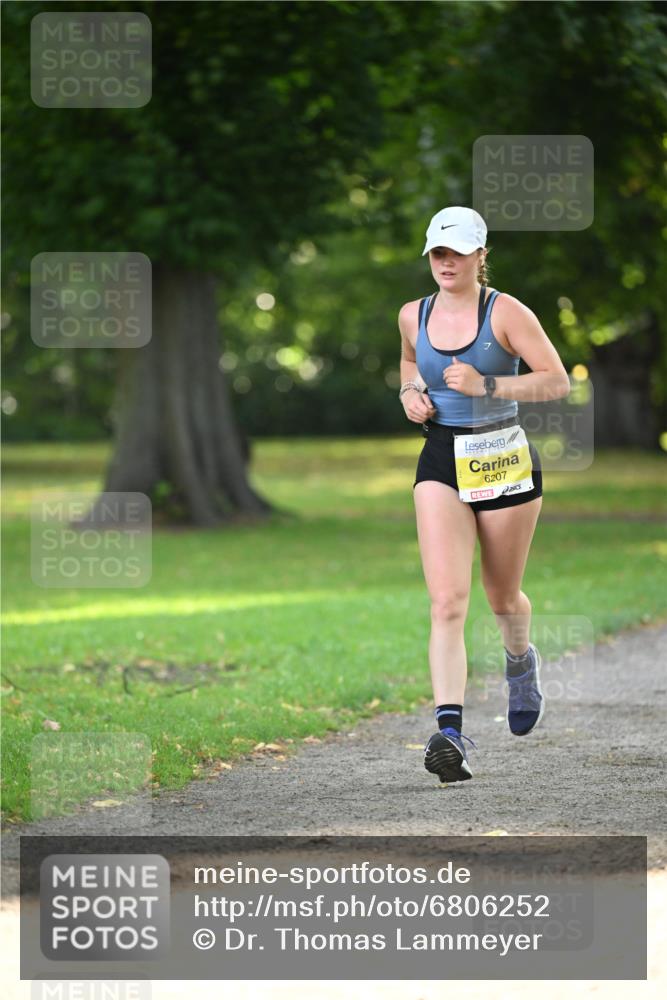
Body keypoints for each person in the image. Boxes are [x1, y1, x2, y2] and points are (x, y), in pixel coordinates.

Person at [397, 206, 570, 784]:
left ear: (479, 255)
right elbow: (407, 362)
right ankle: (449, 734)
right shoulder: (411, 314)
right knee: (447, 601)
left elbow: (557, 379)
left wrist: (486, 383)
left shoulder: (507, 312)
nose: (446, 263)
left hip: (501, 454)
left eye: (457, 252)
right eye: (437, 254)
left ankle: (520, 663)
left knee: (502, 598)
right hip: (441, 456)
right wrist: (408, 392)